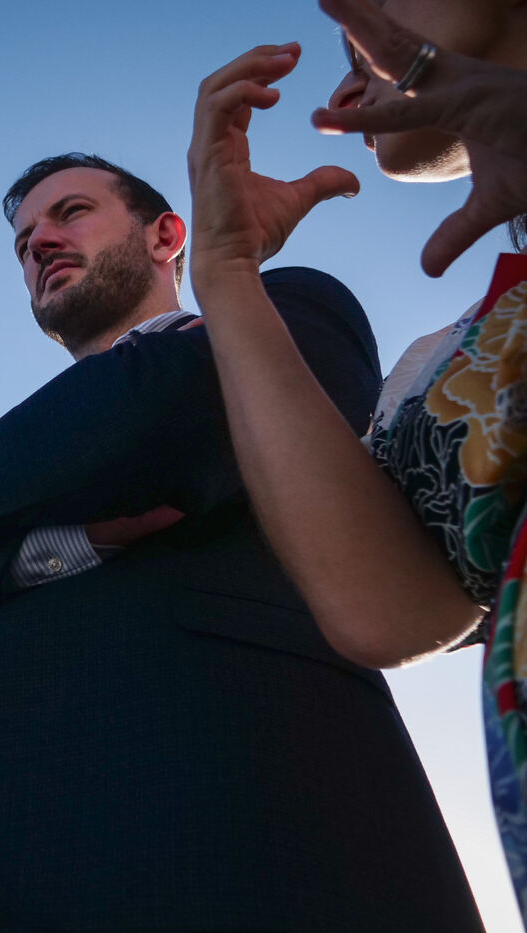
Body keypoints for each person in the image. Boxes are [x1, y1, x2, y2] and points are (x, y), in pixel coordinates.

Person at [0, 154, 483, 930]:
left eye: (71, 212)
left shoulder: (282, 313)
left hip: (194, 831)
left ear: (167, 235)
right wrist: (56, 542)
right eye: (23, 242)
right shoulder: (18, 470)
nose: (38, 244)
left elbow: (154, 420)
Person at [185, 0, 527, 913]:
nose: (343, 90)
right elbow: (392, 610)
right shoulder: (465, 358)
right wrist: (225, 269)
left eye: (361, 44)